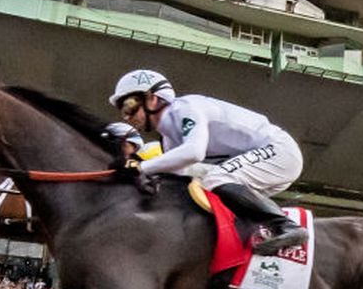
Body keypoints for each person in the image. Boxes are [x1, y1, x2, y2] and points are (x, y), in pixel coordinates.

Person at [108, 68, 307, 255]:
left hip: (279, 151)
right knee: (201, 189)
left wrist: (140, 167)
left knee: (215, 178)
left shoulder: (185, 108)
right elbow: (178, 176)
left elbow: (194, 152)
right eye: (123, 111)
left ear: (152, 99)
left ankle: (287, 227)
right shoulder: (168, 138)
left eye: (129, 106)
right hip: (263, 160)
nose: (127, 117)